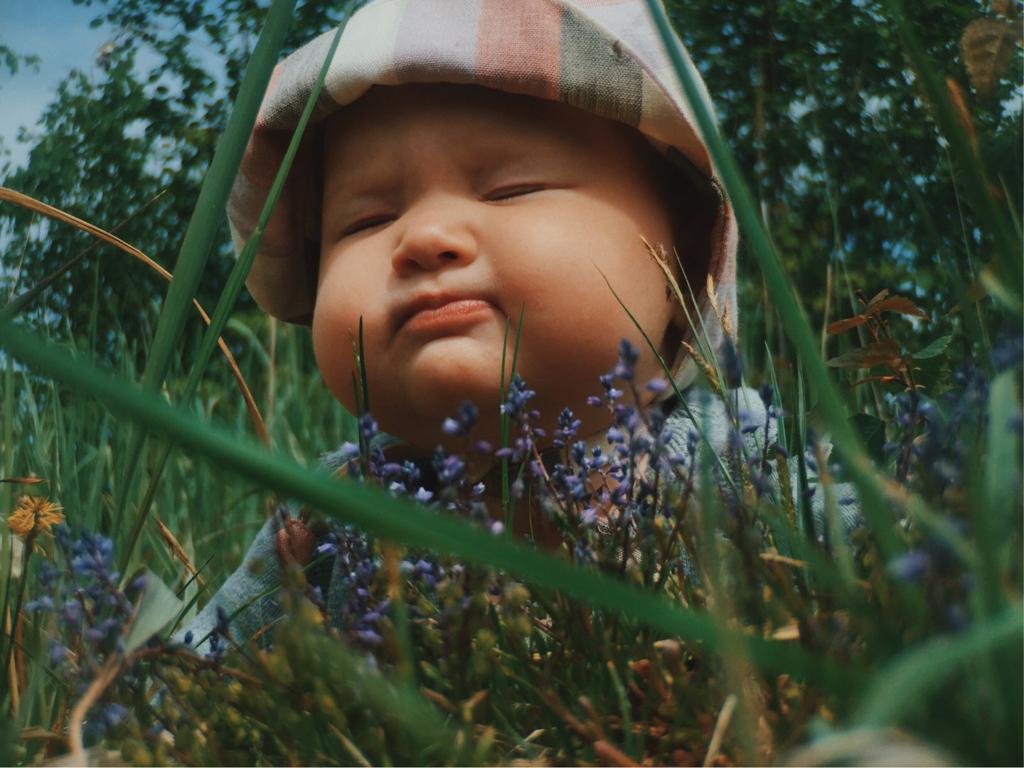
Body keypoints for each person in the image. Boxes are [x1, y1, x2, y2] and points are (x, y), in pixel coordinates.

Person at [182, 0, 851, 653]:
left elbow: (886, 557)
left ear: (679, 266)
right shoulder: (338, 514)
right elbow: (202, 665)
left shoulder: (724, 460)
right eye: (365, 220)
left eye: (509, 190)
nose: (425, 236)